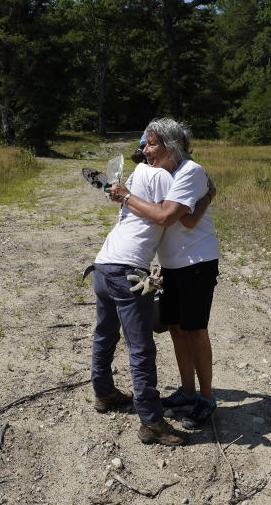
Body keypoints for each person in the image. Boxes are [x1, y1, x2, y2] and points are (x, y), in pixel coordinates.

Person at [107, 118, 220, 430]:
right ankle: (187, 391)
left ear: (171, 147)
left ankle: (207, 399)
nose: (145, 150)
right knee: (175, 328)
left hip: (197, 263)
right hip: (171, 265)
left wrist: (127, 196)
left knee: (195, 330)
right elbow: (169, 217)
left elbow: (173, 218)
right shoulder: (161, 174)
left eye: (151, 144)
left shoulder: (190, 171)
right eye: (144, 144)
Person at [91, 144, 198, 446]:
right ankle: (151, 421)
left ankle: (103, 392)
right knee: (141, 349)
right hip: (128, 268)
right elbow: (178, 220)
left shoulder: (134, 176)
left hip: (103, 263)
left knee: (105, 334)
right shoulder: (164, 179)